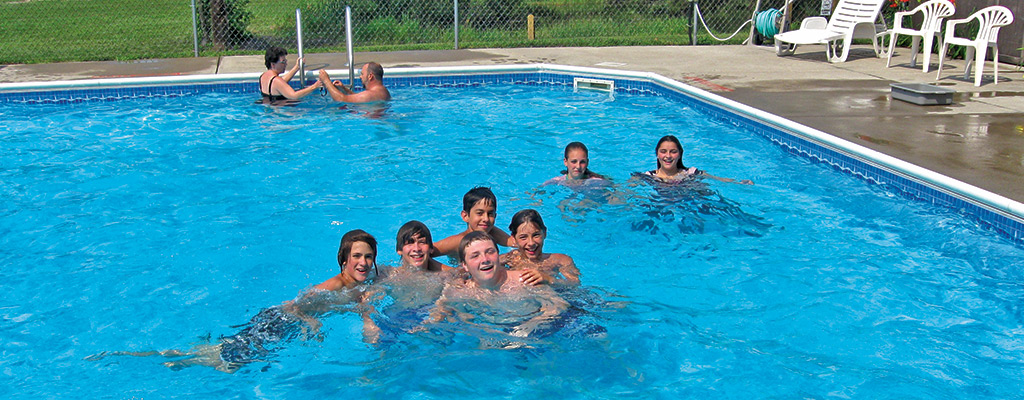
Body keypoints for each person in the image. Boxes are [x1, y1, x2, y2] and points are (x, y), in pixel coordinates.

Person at [93, 230, 382, 373]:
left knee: (230, 357)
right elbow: (293, 304)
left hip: (282, 323)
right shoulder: (332, 285)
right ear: (344, 260)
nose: (363, 262)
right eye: (356, 256)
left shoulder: (361, 283)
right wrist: (309, 319)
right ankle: (151, 357)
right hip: (279, 320)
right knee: (229, 361)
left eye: (368, 256)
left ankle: (177, 358)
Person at [418, 231, 568, 339]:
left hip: (539, 334)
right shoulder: (458, 291)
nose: (485, 260)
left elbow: (559, 305)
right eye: (475, 256)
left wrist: (526, 330)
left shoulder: (524, 279)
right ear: (464, 265)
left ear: (498, 255)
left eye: (490, 252)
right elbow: (438, 314)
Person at [501, 209, 581, 287]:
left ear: (545, 233)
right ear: (514, 238)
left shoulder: (561, 260)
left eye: (536, 235)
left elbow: (574, 283)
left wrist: (548, 279)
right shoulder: (509, 259)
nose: (531, 243)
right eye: (523, 237)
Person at [433, 187, 515, 258]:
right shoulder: (458, 241)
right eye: (479, 213)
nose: (486, 219)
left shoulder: (491, 232)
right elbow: (425, 252)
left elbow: (517, 244)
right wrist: (448, 271)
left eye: (490, 214)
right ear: (465, 216)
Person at [642, 135, 753, 185]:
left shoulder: (691, 173)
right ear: (657, 154)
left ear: (680, 154)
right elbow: (628, 191)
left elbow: (718, 179)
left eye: (673, 151)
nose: (668, 156)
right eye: (663, 151)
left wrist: (738, 183)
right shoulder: (649, 177)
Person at [317, 62, 391, 103]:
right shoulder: (383, 91)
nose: (360, 77)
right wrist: (344, 89)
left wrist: (326, 81)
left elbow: (340, 99)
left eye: (362, 74)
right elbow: (359, 97)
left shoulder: (369, 95)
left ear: (370, 76)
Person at [543, 142, 610, 187]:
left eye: (582, 162)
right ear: (565, 162)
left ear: (587, 162)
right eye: (574, 161)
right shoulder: (556, 181)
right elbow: (537, 192)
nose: (578, 166)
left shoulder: (597, 181)